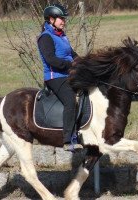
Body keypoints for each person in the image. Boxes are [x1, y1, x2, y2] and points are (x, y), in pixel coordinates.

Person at [37, 4, 83, 152]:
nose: (64, 21)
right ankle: (68, 139)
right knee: (70, 101)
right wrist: (70, 66)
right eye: (61, 18)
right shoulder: (45, 37)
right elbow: (51, 59)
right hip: (55, 76)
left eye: (64, 18)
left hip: (68, 73)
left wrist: (84, 64)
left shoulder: (63, 36)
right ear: (51, 19)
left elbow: (73, 55)